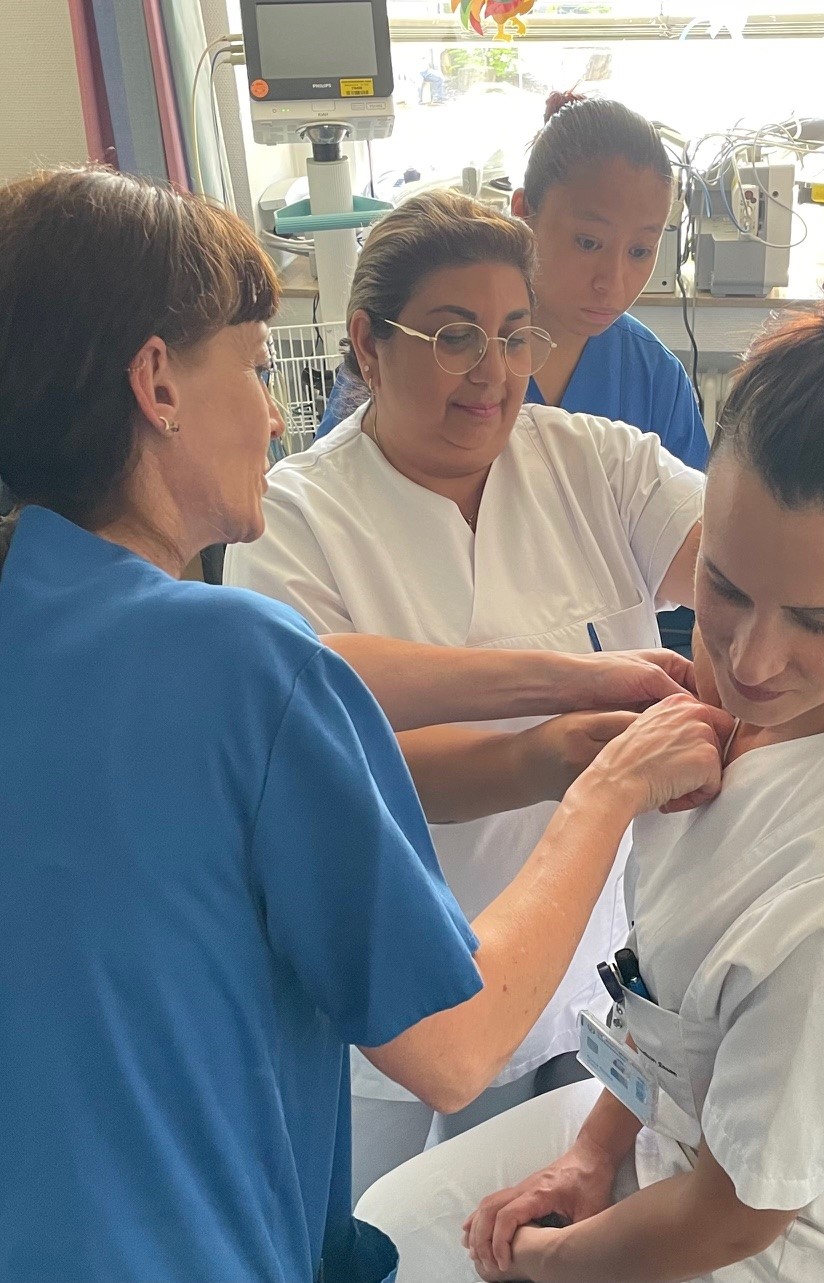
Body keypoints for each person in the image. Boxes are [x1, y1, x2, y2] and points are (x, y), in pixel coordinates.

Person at [0, 167, 733, 1283]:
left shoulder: (46, 612)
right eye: (251, 366)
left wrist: (556, 690)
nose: (276, 408)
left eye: (512, 334)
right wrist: (603, 780)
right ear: (158, 382)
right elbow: (453, 1042)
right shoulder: (242, 649)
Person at [353, 247, 824, 1283]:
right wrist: (589, 1150)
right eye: (725, 585)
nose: (748, 660)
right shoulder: (743, 705)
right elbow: (674, 1001)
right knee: (394, 1223)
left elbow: (730, 1218)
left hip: (798, 1248)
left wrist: (542, 1266)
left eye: (821, 621)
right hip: (677, 1136)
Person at [223, 186, 707, 1197]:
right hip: (392, 999)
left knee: (547, 1215)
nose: (491, 372)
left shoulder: (593, 463)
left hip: (589, 967)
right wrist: (546, 752)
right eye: (452, 336)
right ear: (366, 342)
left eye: (514, 334)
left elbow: (743, 562)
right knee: (367, 1222)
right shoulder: (293, 520)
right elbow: (350, 768)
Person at [315, 93, 707, 471]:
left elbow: (693, 520)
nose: (614, 283)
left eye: (640, 251)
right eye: (588, 243)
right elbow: (338, 484)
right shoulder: (408, 352)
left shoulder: (655, 380)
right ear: (524, 213)